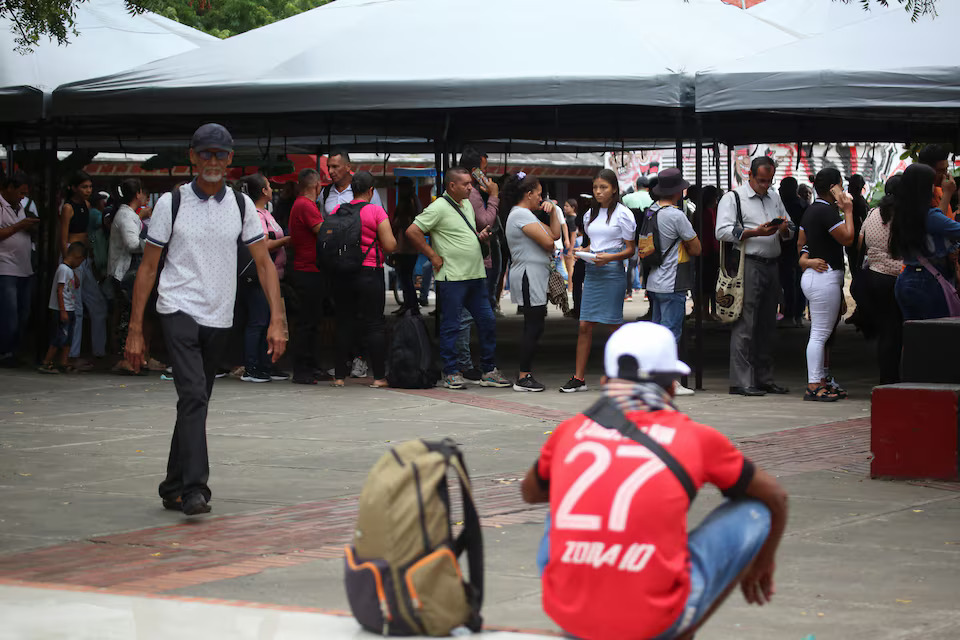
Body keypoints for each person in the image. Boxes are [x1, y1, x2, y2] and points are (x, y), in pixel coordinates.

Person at [522, 321, 788, 640]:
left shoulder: (569, 431)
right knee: (756, 511)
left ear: (606, 381)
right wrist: (764, 561)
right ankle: (681, 631)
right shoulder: (698, 438)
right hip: (653, 622)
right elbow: (776, 498)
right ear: (672, 387)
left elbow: (531, 493)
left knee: (562, 500)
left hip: (570, 615)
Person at [124, 123, 286, 517]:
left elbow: (263, 263)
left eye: (220, 155)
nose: (212, 161)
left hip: (219, 314)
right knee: (195, 396)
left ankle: (171, 484)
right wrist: (135, 330)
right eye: (205, 154)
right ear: (193, 157)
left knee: (196, 400)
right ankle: (195, 490)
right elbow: (147, 268)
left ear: (230, 160)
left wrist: (277, 319)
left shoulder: (242, 205)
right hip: (177, 308)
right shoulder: (171, 203)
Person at [405, 167, 510, 390]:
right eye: (465, 184)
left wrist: (479, 237)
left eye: (470, 183)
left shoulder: (466, 206)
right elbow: (412, 231)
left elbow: (464, 233)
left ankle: (488, 370)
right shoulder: (438, 207)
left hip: (475, 274)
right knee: (451, 325)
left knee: (487, 321)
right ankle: (451, 371)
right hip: (452, 277)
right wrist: (432, 255)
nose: (470, 187)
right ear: (452, 185)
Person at [715, 156, 793, 397]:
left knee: (768, 324)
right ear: (749, 175)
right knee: (745, 323)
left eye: (769, 181)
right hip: (747, 263)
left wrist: (783, 229)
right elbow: (721, 231)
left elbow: (790, 230)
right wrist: (753, 232)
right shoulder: (734, 198)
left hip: (772, 263)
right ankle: (741, 380)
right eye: (761, 181)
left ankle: (763, 378)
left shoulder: (774, 197)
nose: (765, 186)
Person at [561, 169, 637, 393]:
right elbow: (591, 244)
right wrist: (581, 251)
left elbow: (631, 250)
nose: (598, 192)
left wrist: (610, 257)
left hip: (612, 271)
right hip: (593, 271)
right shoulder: (589, 214)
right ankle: (579, 377)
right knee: (584, 325)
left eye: (603, 187)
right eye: (595, 187)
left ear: (614, 189)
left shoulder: (624, 214)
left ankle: (622, 376)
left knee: (614, 325)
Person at [329, 171, 397, 388]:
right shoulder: (376, 211)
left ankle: (339, 376)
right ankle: (378, 377)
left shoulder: (339, 210)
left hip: (342, 274)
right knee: (374, 324)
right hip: (369, 273)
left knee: (344, 323)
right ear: (371, 191)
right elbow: (390, 245)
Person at [797, 168, 855, 402]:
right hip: (824, 277)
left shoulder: (811, 211)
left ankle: (820, 380)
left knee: (821, 333)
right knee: (820, 334)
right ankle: (814, 384)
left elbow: (801, 242)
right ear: (834, 188)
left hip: (815, 276)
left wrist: (805, 259)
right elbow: (848, 238)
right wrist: (848, 210)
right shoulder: (827, 212)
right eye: (841, 185)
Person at [502, 172, 562, 392]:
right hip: (528, 275)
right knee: (533, 325)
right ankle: (523, 376)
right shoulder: (521, 215)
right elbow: (549, 243)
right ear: (528, 194)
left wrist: (554, 210)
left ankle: (525, 374)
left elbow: (555, 234)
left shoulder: (526, 215)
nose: (541, 198)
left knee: (536, 324)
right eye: (538, 194)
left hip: (534, 275)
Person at [645, 168, 701, 396]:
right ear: (678, 191)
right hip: (672, 281)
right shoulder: (677, 215)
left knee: (658, 333)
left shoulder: (651, 212)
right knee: (670, 336)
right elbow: (697, 248)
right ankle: (668, 383)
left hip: (653, 280)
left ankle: (653, 380)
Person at [889, 162, 960, 321]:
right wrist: (948, 193)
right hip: (928, 282)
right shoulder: (930, 216)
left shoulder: (901, 214)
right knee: (935, 337)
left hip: (905, 279)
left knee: (916, 337)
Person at [237, 174, 290, 383]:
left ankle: (267, 364)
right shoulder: (256, 216)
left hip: (273, 276)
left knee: (268, 320)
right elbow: (263, 245)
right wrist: (286, 240)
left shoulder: (266, 213)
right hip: (258, 276)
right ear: (263, 191)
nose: (271, 188)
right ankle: (253, 367)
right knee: (258, 321)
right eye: (268, 186)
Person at [457, 147, 502, 382]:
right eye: (484, 169)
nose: (487, 174)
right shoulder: (472, 193)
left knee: (470, 313)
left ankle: (472, 363)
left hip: (470, 260)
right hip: (476, 261)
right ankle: (465, 364)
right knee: (472, 315)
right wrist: (493, 194)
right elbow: (485, 220)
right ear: (474, 171)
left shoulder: (468, 192)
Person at [60, 170, 108, 368]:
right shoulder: (68, 208)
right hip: (72, 258)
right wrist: (68, 264)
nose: (88, 190)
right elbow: (62, 237)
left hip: (85, 259)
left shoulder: (87, 206)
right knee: (76, 308)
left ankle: (99, 351)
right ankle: (72, 355)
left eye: (90, 187)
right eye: (84, 187)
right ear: (73, 187)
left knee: (98, 306)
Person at [859, 175, 904, 384]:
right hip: (897, 278)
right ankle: (896, 378)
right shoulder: (905, 215)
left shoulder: (873, 213)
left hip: (874, 277)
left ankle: (887, 380)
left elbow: (861, 241)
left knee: (886, 332)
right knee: (899, 332)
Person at [287, 168, 329, 384]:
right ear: (317, 186)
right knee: (307, 323)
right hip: (307, 271)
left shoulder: (301, 205)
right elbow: (323, 232)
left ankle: (310, 366)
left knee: (311, 322)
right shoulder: (305, 205)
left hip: (308, 269)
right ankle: (303, 369)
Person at [107, 178, 150, 375]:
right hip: (124, 273)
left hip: (131, 273)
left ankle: (135, 358)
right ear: (138, 193)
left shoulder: (129, 214)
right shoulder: (125, 216)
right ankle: (125, 359)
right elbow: (132, 244)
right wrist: (153, 241)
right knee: (126, 317)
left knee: (130, 314)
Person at [0, 171, 39, 367]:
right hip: (5, 266)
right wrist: (19, 226)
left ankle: (14, 350)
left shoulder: (22, 207)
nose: (22, 197)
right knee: (10, 313)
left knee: (24, 313)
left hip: (25, 267)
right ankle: (6, 351)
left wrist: (29, 228)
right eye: (20, 193)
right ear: (9, 188)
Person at [38, 243, 86, 373]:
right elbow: (60, 291)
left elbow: (71, 287)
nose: (79, 265)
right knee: (60, 337)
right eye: (80, 262)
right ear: (77, 257)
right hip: (61, 309)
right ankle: (46, 362)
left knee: (68, 337)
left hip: (69, 308)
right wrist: (63, 311)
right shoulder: (63, 270)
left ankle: (63, 362)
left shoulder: (69, 270)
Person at [390, 177, 423, 313]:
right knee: (405, 278)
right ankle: (409, 305)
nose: (400, 189)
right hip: (406, 247)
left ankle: (411, 306)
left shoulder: (410, 202)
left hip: (407, 247)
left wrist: (397, 223)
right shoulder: (411, 201)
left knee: (406, 278)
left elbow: (404, 222)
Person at [778, 177, 806, 328]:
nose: (779, 189)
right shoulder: (803, 205)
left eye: (782, 186)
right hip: (801, 250)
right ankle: (798, 314)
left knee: (789, 283)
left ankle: (790, 314)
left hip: (787, 249)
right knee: (798, 283)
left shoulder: (785, 205)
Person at [322, 150, 384, 215]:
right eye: (328, 167)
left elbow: (380, 218)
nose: (330, 171)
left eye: (335, 167)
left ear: (348, 167)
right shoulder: (325, 192)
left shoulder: (365, 189)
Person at [698, 185, 721, 321]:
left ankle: (706, 312)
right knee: (710, 284)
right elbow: (713, 235)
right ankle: (708, 312)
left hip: (704, 252)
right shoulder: (708, 213)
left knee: (706, 284)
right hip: (709, 252)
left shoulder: (701, 212)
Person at [917, 144, 956, 219]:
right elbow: (938, 223)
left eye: (946, 169)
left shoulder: (940, 191)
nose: (945, 175)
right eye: (940, 170)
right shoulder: (917, 195)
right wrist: (947, 194)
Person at [562, 198, 579, 295]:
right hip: (568, 244)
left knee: (570, 268)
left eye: (567, 206)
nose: (565, 207)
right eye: (564, 206)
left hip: (570, 245)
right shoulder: (568, 217)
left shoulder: (572, 219)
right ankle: (570, 287)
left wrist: (570, 249)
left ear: (573, 208)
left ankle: (570, 288)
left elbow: (573, 235)